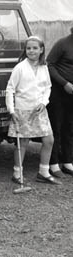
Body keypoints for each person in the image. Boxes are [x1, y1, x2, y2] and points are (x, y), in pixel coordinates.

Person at [6, 36, 58, 185]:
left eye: (35, 48)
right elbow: (10, 89)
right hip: (22, 109)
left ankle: (43, 172)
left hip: (39, 110)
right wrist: (11, 110)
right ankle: (17, 173)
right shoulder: (20, 67)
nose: (31, 51)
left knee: (49, 140)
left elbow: (48, 87)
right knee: (22, 143)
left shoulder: (44, 67)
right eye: (28, 48)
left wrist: (44, 102)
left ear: (41, 50)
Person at [46, 27, 73, 178]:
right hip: (58, 93)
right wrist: (64, 83)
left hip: (72, 95)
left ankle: (68, 161)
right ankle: (53, 163)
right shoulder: (62, 43)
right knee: (56, 126)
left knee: (69, 127)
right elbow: (49, 64)